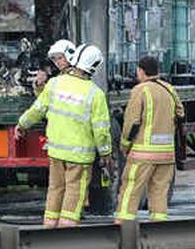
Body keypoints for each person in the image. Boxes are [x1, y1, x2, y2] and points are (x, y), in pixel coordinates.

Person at [16, 44, 112, 227]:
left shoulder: (54, 84)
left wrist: (22, 124)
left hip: (56, 152)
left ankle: (50, 226)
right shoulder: (95, 94)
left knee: (55, 189)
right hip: (80, 157)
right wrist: (106, 153)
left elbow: (37, 109)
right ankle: (66, 232)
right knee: (74, 192)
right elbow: (101, 130)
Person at [116, 55, 185, 223]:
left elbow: (132, 122)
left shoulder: (140, 90)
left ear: (141, 71)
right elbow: (181, 114)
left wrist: (125, 145)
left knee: (131, 188)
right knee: (159, 191)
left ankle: (123, 226)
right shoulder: (169, 89)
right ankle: (158, 227)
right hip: (167, 154)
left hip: (142, 154)